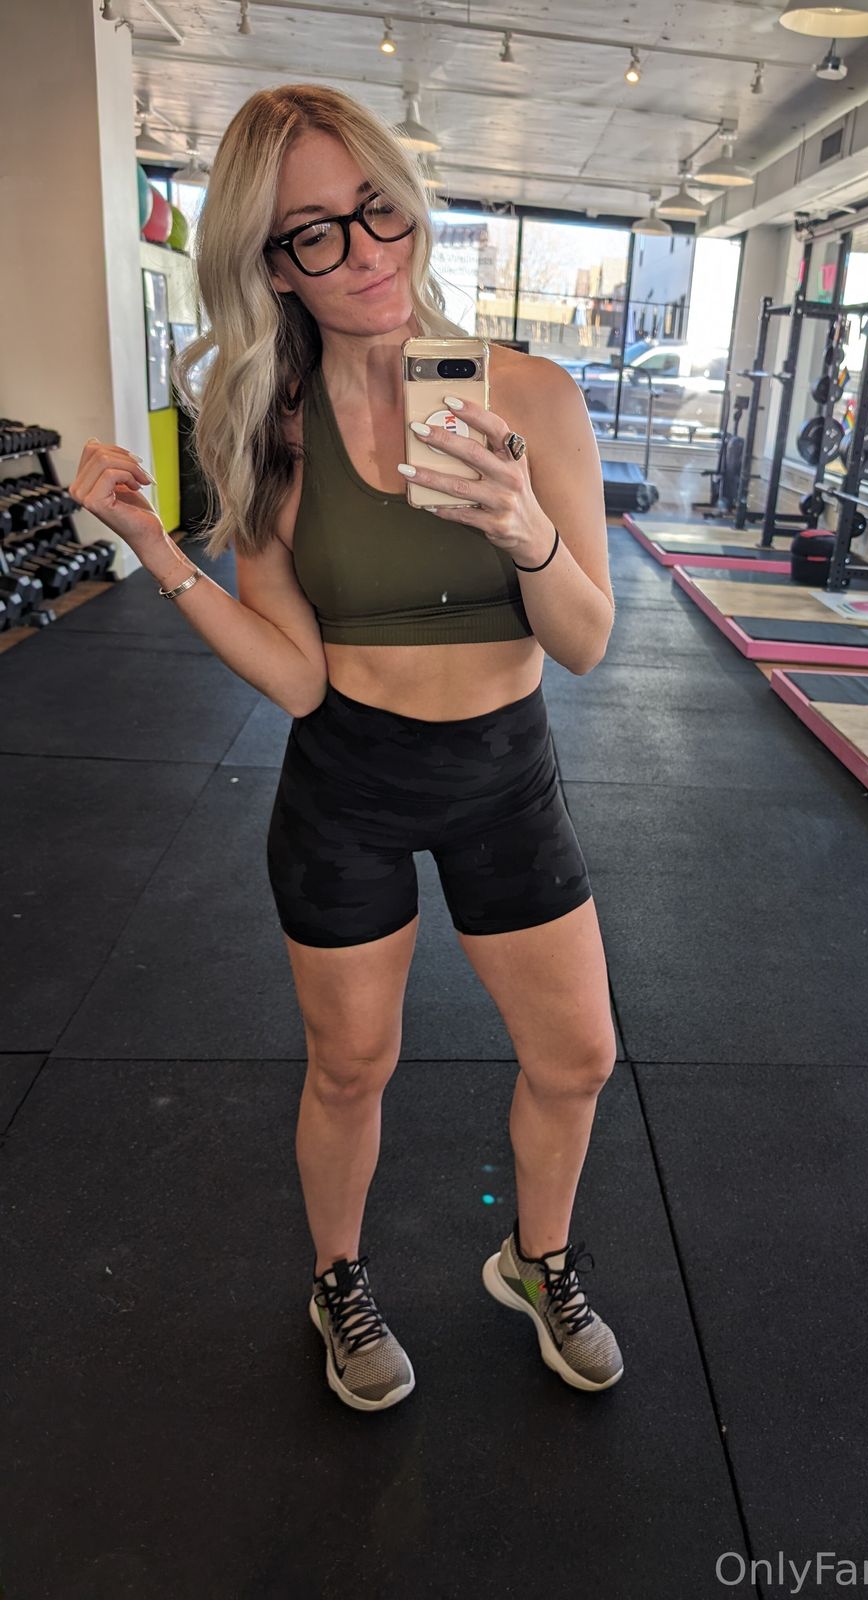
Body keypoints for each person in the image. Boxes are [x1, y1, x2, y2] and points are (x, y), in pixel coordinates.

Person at [69, 83, 621, 1413]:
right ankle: (338, 1279)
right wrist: (154, 551)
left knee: (578, 1057)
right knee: (351, 1064)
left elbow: (586, 643)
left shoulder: (533, 397)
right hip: (349, 782)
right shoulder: (268, 426)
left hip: (504, 776)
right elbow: (299, 676)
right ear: (271, 266)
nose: (366, 252)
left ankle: (535, 1259)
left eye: (378, 209)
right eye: (314, 231)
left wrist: (522, 529)